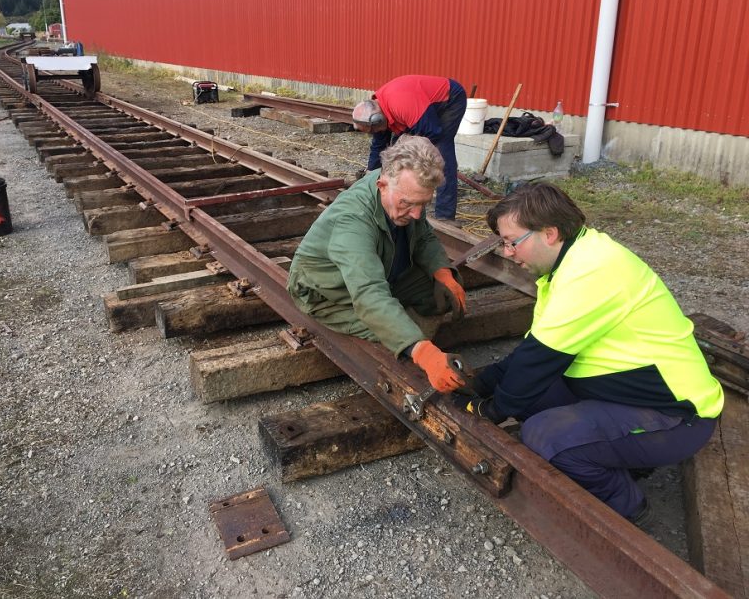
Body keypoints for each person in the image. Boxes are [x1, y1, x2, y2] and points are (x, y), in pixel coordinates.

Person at [462, 182, 723, 525]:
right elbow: (531, 351)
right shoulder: (569, 264)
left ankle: (627, 504)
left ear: (550, 233)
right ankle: (620, 455)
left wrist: (491, 408)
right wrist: (481, 383)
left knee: (545, 435)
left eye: (512, 242)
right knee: (529, 395)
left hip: (677, 413)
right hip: (628, 391)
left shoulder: (592, 271)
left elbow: (537, 361)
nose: (508, 253)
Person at [287, 135, 467, 392]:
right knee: (406, 333)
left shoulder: (407, 190)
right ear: (382, 185)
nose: (416, 214)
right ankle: (411, 337)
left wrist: (443, 272)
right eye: (408, 204)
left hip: (383, 269)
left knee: (443, 293)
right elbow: (369, 294)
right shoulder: (352, 221)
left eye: (423, 204)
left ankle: (405, 327)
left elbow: (424, 236)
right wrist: (423, 351)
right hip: (330, 292)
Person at [352, 75, 467, 220]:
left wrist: (407, 150)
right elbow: (379, 145)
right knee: (398, 151)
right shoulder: (379, 112)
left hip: (450, 99)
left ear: (377, 121)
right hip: (420, 108)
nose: (374, 134)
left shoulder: (403, 106)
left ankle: (445, 215)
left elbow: (433, 132)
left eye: (373, 130)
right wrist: (370, 173)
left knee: (441, 152)